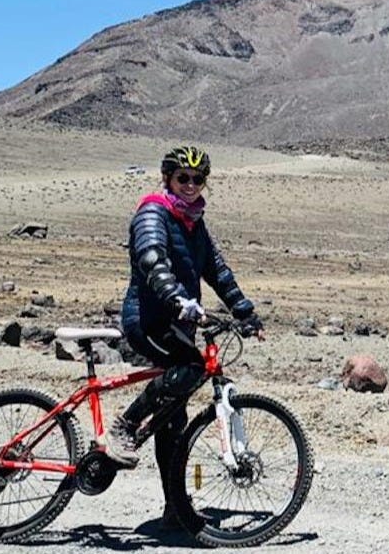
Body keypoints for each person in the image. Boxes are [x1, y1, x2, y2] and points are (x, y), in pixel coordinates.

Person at [111, 146, 263, 517]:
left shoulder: (194, 222)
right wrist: (178, 298)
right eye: (183, 178)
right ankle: (125, 426)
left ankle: (175, 507)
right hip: (148, 319)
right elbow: (152, 260)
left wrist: (244, 312)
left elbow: (217, 271)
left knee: (173, 419)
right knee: (193, 370)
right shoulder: (153, 213)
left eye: (198, 179)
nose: (191, 185)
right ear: (168, 179)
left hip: (178, 322)